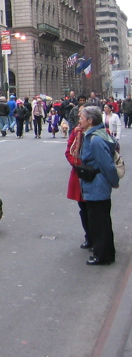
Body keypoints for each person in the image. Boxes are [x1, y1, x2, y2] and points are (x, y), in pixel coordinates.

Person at [78, 106, 119, 265]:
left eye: (82, 117)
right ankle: (105, 252)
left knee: (99, 222)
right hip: (96, 184)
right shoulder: (97, 134)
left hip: (97, 185)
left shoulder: (95, 139)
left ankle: (103, 255)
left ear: (90, 120)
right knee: (101, 220)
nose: (79, 120)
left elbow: (107, 165)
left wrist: (113, 182)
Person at [64, 106, 90, 251]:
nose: (79, 118)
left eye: (81, 116)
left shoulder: (102, 133)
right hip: (79, 174)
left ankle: (98, 238)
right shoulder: (76, 132)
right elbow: (69, 150)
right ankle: (89, 236)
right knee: (83, 209)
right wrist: (77, 163)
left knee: (96, 210)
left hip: (95, 177)